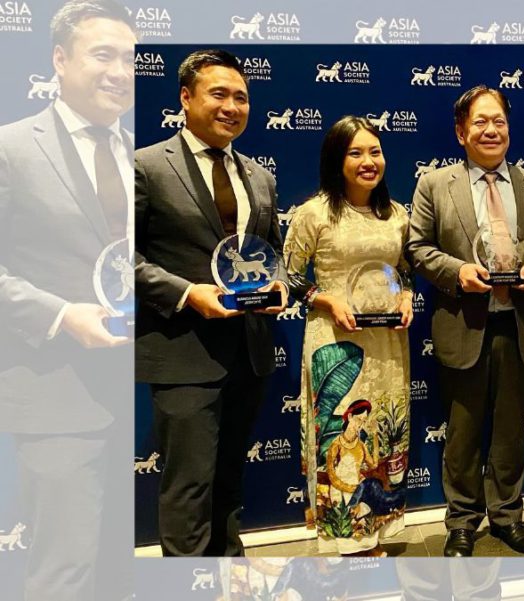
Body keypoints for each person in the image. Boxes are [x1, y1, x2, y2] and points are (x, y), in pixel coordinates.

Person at [0, 0, 135, 597]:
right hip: (55, 393)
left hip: (138, 395)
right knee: (65, 574)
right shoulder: (11, 148)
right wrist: (60, 315)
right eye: (103, 55)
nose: (120, 72)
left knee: (119, 575)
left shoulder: (140, 153)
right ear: (59, 59)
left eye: (130, 59)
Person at [134, 49, 289, 556]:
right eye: (218, 94)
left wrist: (279, 285)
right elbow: (116, 257)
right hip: (184, 352)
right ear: (185, 97)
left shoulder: (260, 177)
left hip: (249, 351)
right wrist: (186, 293)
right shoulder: (145, 166)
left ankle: (228, 576)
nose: (231, 107)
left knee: (229, 482)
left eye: (241, 97)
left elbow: (272, 252)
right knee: (188, 488)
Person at [406, 85, 524, 557]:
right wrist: (458, 272)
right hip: (463, 323)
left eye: (499, 122)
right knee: (464, 432)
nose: (491, 130)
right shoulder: (435, 185)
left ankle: (509, 517)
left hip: (519, 323)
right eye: (480, 122)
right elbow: (417, 248)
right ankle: (462, 522)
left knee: (511, 430)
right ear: (461, 132)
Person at [283, 115, 412, 556]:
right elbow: (288, 276)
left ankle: (373, 530)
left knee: (382, 429)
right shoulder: (313, 213)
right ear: (337, 160)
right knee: (343, 436)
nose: (367, 161)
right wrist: (325, 300)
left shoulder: (397, 215)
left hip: (387, 342)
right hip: (336, 342)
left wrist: (407, 296)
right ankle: (346, 539)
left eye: (375, 151)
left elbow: (406, 269)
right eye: (355, 153)